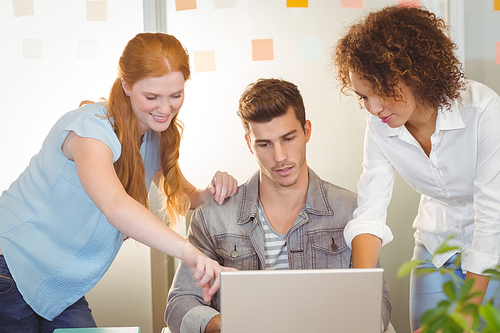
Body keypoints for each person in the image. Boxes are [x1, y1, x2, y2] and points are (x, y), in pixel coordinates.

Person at [0, 33, 238, 332]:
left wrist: (216, 188)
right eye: (151, 97)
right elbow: (115, 205)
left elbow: (187, 195)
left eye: (175, 95)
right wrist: (193, 256)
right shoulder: (91, 130)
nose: (165, 109)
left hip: (57, 280)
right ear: (126, 85)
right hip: (11, 263)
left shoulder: (154, 134)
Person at [165, 78, 392, 333]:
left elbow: (377, 304)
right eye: (264, 144)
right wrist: (227, 326)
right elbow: (180, 304)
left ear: (306, 131)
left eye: (288, 139)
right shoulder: (213, 218)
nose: (280, 157)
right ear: (249, 144)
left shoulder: (351, 211)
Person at [332, 5, 500, 332]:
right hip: (435, 245)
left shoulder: (484, 112)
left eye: (382, 91)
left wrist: (462, 315)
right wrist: (362, 295)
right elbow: (370, 211)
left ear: (418, 73)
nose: (374, 108)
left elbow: (492, 214)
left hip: (493, 246)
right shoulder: (379, 126)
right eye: (363, 96)